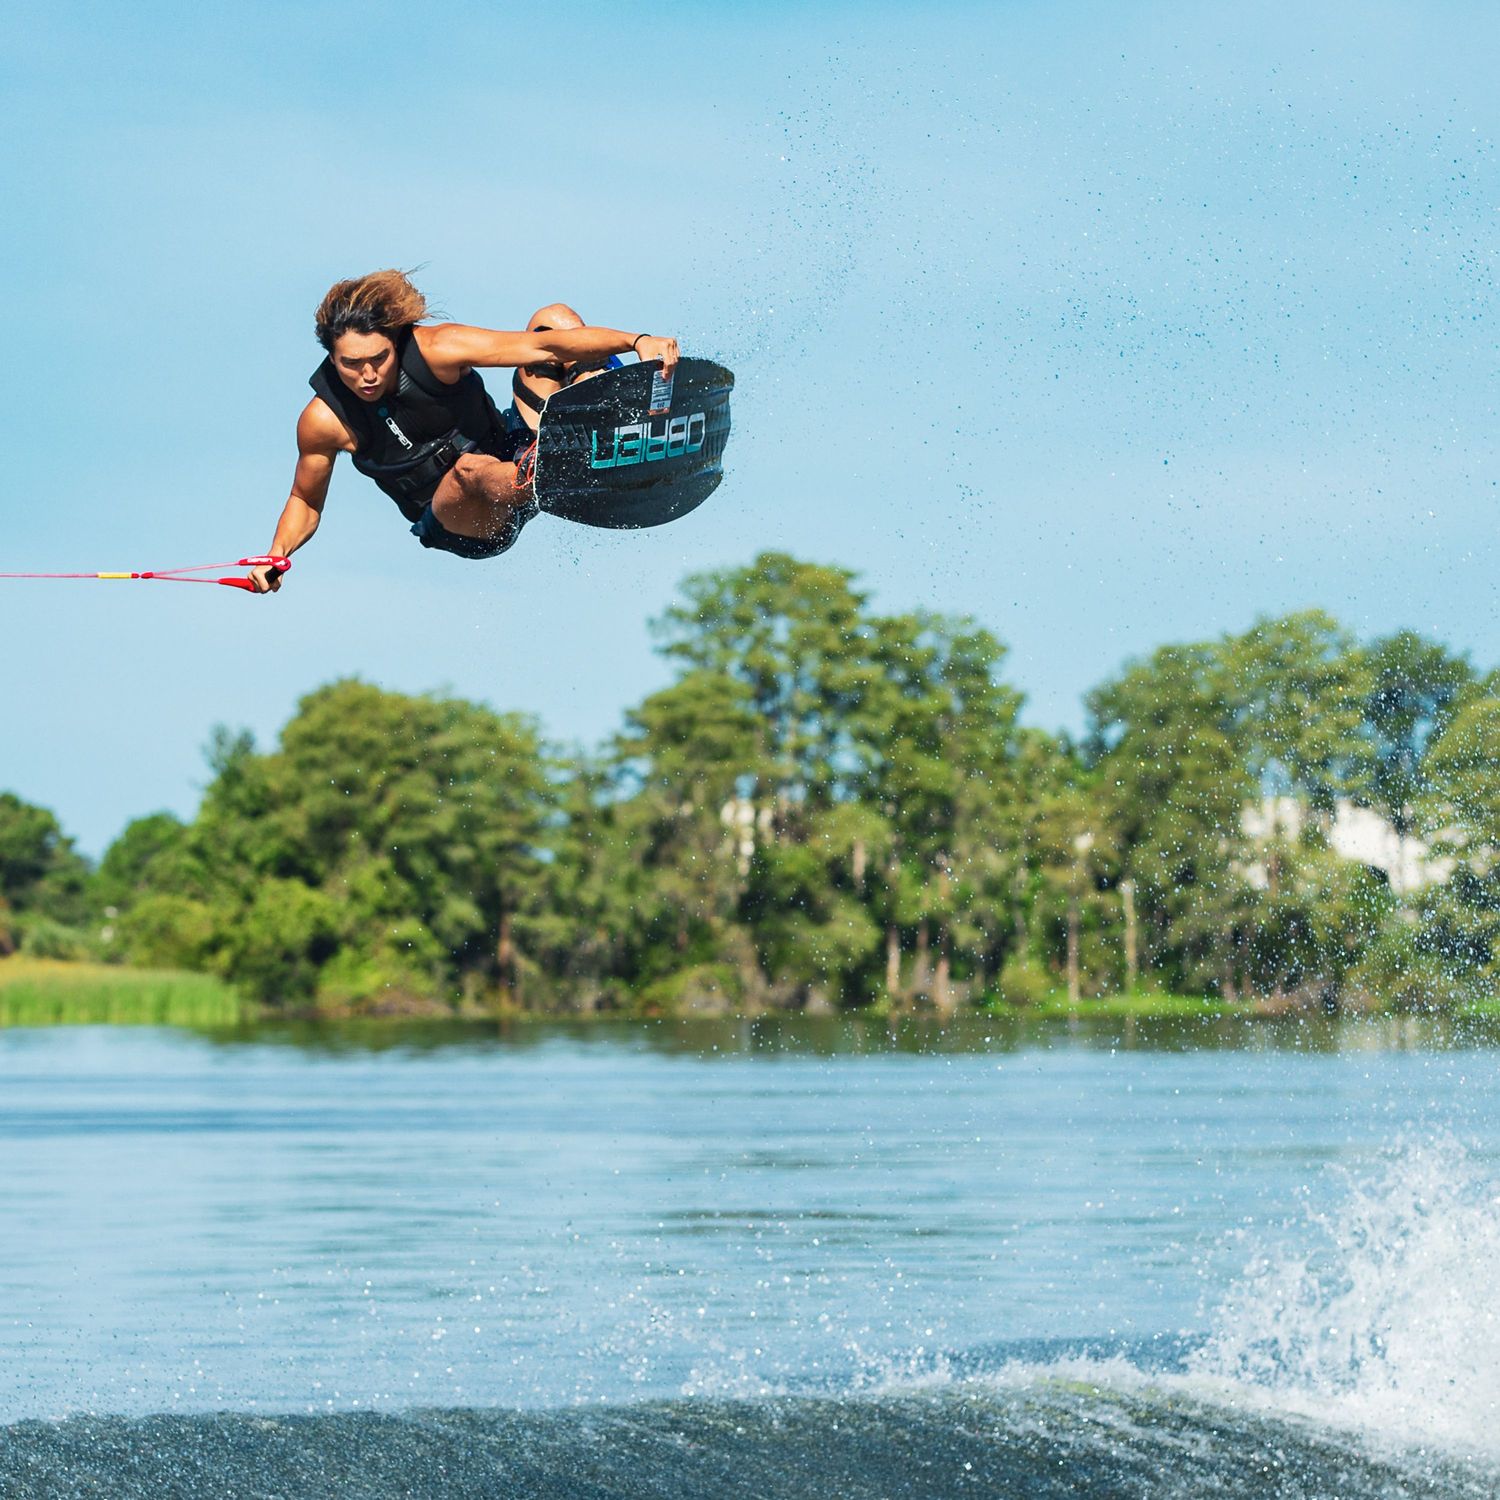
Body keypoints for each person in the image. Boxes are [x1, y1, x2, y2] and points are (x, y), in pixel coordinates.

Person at [248, 270, 680, 593]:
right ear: (331, 356)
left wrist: (636, 340)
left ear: (395, 341)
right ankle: (556, 469)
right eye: (350, 364)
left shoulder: (439, 347)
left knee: (555, 320)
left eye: (377, 359)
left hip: (513, 449)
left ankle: (626, 422)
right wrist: (278, 553)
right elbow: (305, 500)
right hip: (462, 522)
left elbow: (544, 347)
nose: (366, 375)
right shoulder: (325, 421)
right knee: (469, 469)